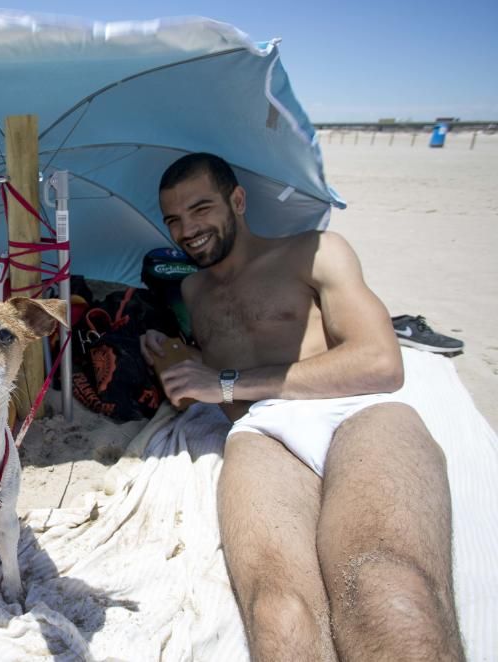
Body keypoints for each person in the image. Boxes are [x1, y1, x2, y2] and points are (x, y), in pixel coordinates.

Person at [142, 153, 464, 660]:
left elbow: (382, 362)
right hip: (263, 432)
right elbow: (216, 385)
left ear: (238, 201)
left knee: (389, 592)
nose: (188, 230)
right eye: (174, 220)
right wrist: (176, 361)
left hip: (359, 413)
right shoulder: (192, 289)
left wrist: (224, 382)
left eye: (201, 209)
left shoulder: (314, 252)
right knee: (279, 614)